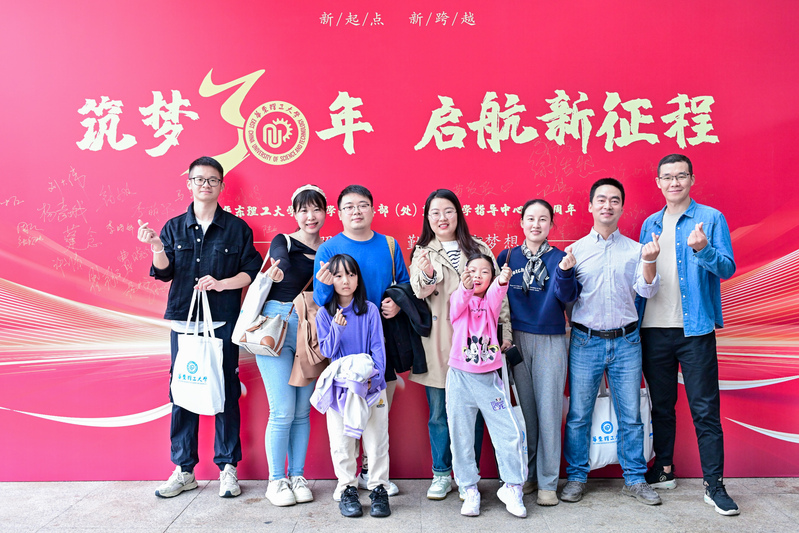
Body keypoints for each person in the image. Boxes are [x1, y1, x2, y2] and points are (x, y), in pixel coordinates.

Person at [137, 156, 261, 499]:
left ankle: (228, 468)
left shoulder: (237, 228)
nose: (205, 185)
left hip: (222, 322)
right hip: (184, 322)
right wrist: (157, 247)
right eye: (199, 179)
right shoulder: (174, 227)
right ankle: (184, 469)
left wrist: (221, 284)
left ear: (221, 186)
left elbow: (251, 272)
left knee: (225, 392)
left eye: (212, 180)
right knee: (183, 392)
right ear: (189, 184)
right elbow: (164, 272)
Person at [638, 154, 739, 516]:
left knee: (705, 409)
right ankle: (664, 469)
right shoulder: (650, 223)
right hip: (654, 329)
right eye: (667, 177)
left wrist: (703, 249)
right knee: (661, 406)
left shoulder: (711, 218)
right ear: (658, 182)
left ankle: (714, 485)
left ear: (692, 179)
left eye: (681, 176)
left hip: (695, 330)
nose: (674, 182)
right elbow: (643, 276)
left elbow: (727, 268)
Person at [561, 178, 662, 506]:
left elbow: (647, 290)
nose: (607, 205)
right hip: (585, 341)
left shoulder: (635, 249)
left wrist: (650, 262)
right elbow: (566, 297)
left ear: (621, 207)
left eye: (614, 200)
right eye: (601, 200)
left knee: (630, 414)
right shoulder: (575, 251)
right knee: (579, 414)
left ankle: (635, 478)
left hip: (627, 342)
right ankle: (576, 476)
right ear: (590, 206)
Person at [409, 189, 511, 500]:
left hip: (477, 347)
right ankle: (441, 474)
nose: (442, 218)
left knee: (474, 414)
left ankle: (470, 478)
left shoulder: (478, 248)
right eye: (435, 213)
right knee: (439, 414)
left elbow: (499, 294)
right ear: (427, 218)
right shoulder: (423, 252)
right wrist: (428, 273)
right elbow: (418, 290)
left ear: (458, 214)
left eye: (448, 211)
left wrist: (505, 332)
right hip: (440, 344)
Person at [313, 185, 409, 496]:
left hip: (380, 332)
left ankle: (371, 472)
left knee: (378, 406)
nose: (357, 211)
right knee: (344, 411)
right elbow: (321, 298)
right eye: (349, 206)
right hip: (343, 340)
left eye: (363, 205)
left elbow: (405, 285)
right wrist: (334, 315)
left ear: (372, 209)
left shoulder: (389, 244)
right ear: (339, 213)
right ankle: (348, 480)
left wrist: (397, 303)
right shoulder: (328, 249)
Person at [497, 199, 579, 506]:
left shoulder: (561, 258)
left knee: (549, 412)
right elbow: (497, 299)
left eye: (543, 219)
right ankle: (528, 475)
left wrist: (566, 273)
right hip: (516, 341)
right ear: (521, 222)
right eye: (530, 218)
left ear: (551, 224)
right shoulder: (507, 257)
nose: (536, 224)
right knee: (526, 413)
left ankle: (547, 482)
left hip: (550, 339)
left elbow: (568, 298)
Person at [257, 185, 327, 507]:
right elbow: (281, 258)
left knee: (301, 411)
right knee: (282, 409)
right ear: (294, 213)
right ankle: (276, 480)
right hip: (277, 327)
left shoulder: (329, 250)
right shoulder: (283, 241)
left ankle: (297, 476)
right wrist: (280, 267)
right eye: (303, 210)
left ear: (325, 212)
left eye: (316, 209)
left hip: (310, 332)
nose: (310, 216)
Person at [448, 254, 527, 518]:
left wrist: (502, 280)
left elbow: (496, 294)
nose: (478, 275)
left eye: (484, 271)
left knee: (508, 433)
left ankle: (513, 486)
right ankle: (469, 488)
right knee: (461, 435)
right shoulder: (458, 299)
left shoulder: (491, 303)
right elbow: (458, 302)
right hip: (459, 377)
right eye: (472, 271)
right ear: (464, 274)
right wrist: (465, 287)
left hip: (488, 378)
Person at [314, 254, 391, 518]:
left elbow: (378, 348)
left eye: (350, 274)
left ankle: (378, 489)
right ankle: (348, 488)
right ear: (330, 280)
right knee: (341, 442)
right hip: (340, 388)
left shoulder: (369, 310)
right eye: (338, 275)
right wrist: (336, 327)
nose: (345, 281)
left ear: (358, 279)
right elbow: (327, 351)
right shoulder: (324, 313)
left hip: (371, 386)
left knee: (377, 440)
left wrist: (374, 380)